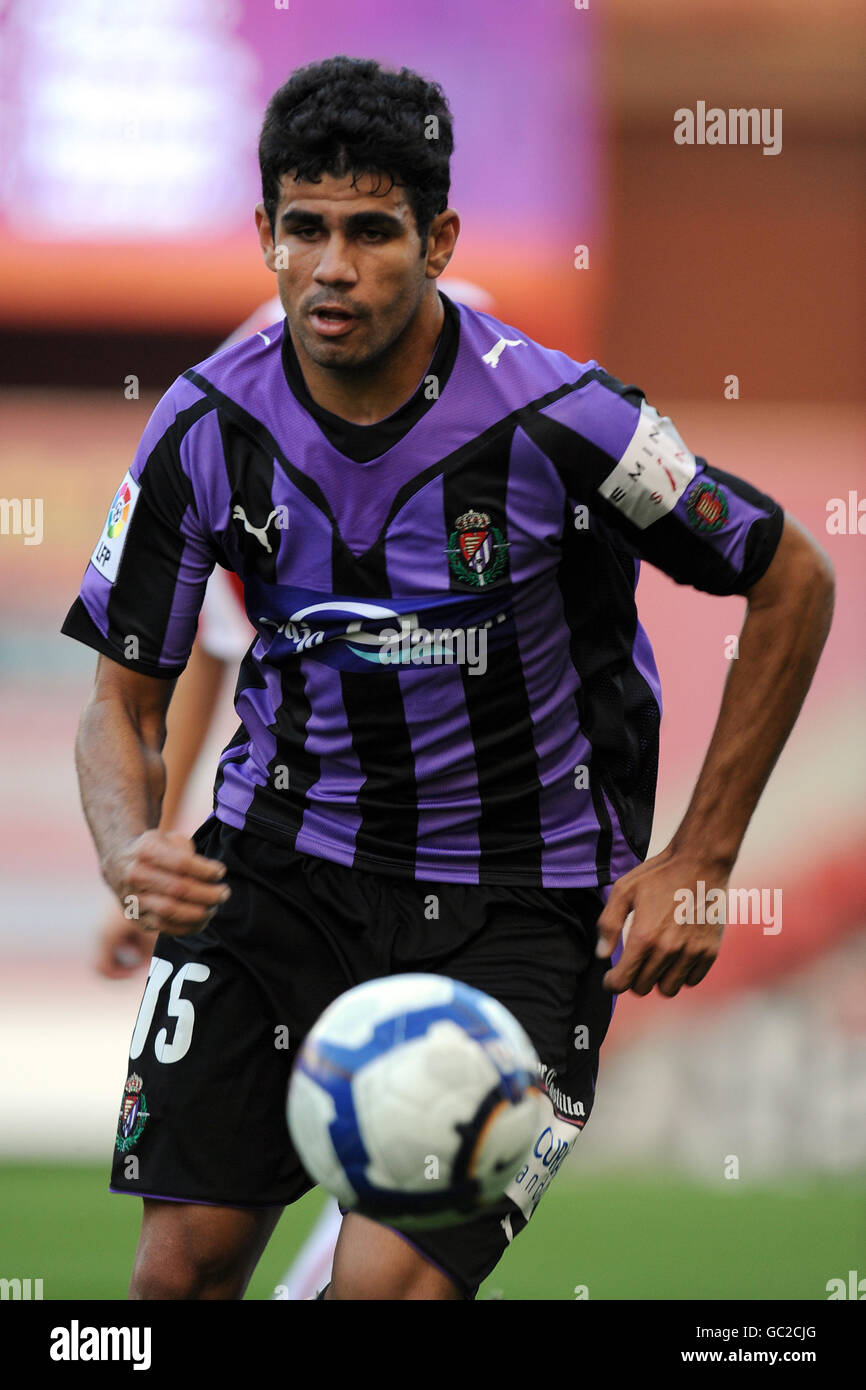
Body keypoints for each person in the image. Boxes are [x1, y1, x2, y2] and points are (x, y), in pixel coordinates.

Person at [62, 55, 833, 1301]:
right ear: (263, 234)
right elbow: (122, 700)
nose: (333, 266)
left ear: (439, 239)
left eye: (372, 232)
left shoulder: (563, 422)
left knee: (382, 1292)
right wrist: (123, 843)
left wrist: (701, 855)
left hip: (523, 908)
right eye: (303, 229)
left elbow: (788, 572)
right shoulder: (203, 428)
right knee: (173, 1282)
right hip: (278, 878)